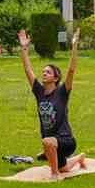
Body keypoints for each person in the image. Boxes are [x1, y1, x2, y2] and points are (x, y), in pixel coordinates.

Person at [17, 28, 85, 177]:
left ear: (55, 78)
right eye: (43, 71)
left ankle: (54, 175)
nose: (44, 73)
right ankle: (79, 158)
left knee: (47, 143)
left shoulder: (61, 92)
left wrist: (74, 46)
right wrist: (24, 47)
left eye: (48, 72)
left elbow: (72, 70)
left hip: (66, 141)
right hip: (51, 143)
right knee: (64, 168)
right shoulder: (39, 92)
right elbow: (27, 70)